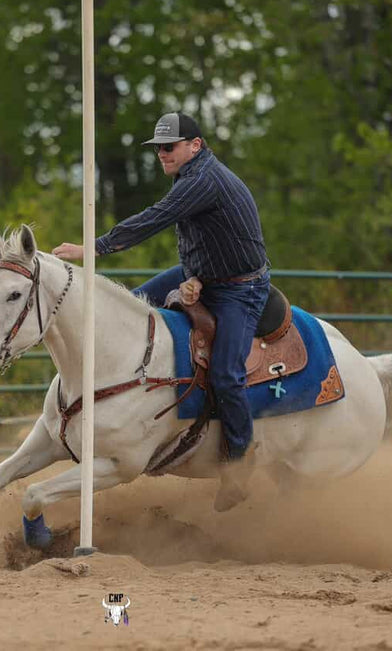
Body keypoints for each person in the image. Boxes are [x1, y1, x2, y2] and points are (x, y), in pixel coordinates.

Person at [52, 111, 270, 511]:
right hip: (205, 276)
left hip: (242, 290)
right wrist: (197, 276)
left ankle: (239, 462)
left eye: (169, 147)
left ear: (195, 146)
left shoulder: (203, 179)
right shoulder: (192, 177)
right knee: (131, 310)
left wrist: (93, 249)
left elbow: (157, 218)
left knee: (226, 373)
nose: (162, 155)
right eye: (158, 149)